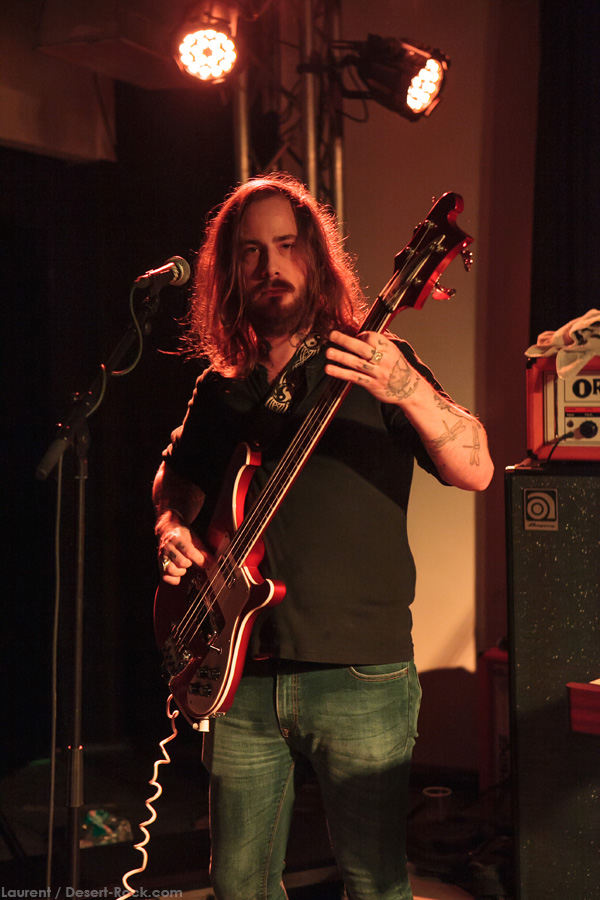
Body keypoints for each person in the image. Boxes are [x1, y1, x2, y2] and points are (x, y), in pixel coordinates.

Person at [152, 172, 493, 900]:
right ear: (229, 270)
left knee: (373, 883)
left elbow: (477, 468)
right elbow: (175, 479)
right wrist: (172, 526)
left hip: (360, 673)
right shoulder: (221, 388)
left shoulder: (374, 363)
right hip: (239, 672)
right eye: (250, 252)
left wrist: (405, 387)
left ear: (316, 257)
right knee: (239, 885)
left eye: (286, 246)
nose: (270, 266)